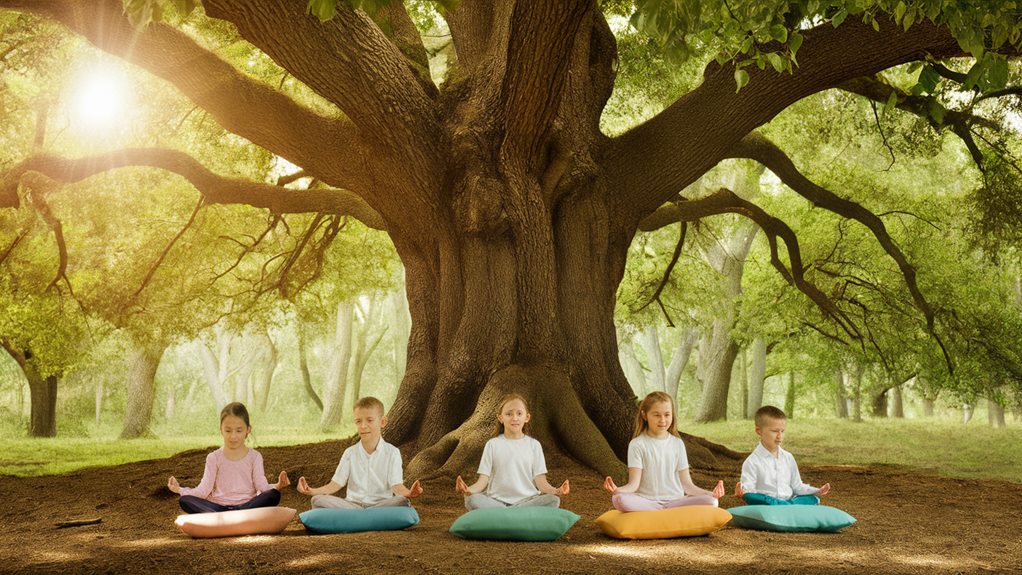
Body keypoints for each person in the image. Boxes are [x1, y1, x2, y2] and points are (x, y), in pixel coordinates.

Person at [603, 391, 725, 512]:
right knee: (619, 499)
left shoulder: (677, 444)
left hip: (676, 501)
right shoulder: (637, 444)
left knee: (712, 502)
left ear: (672, 415)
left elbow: (688, 486)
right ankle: (659, 511)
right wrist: (617, 490)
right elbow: (633, 485)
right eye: (656, 415)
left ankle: (661, 511)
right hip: (647, 501)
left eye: (667, 415)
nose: (662, 420)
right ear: (645, 415)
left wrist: (711, 493)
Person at [297, 396, 423, 509]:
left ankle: (359, 518)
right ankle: (366, 518)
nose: (363, 426)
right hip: (353, 506)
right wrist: (311, 491)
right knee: (317, 500)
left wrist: (408, 493)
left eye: (369, 420)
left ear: (382, 422)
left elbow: (396, 485)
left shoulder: (392, 452)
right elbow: (335, 484)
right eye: (358, 421)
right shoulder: (350, 453)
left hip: (381, 505)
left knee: (402, 501)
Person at [168, 402, 290, 513]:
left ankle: (227, 518)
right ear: (221, 430)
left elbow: (262, 487)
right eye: (228, 431)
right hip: (217, 507)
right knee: (185, 500)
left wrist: (278, 486)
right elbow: (204, 490)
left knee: (273, 495)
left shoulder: (255, 457)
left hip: (246, 506)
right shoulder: (213, 458)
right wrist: (180, 490)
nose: (233, 436)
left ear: (248, 430)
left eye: (239, 431)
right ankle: (219, 516)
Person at [455, 393, 569, 510]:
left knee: (553, 500)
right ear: (500, 418)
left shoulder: (534, 445)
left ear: (527, 417)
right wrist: (468, 490)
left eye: (519, 414)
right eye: (509, 414)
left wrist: (556, 490)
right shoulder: (492, 445)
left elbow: (541, 482)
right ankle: (515, 516)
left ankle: (504, 517)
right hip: (496, 502)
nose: (514, 418)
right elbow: (483, 481)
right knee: (471, 500)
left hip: (527, 502)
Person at [734, 405, 831, 505]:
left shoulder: (788, 458)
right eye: (775, 431)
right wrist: (743, 492)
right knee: (753, 497)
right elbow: (749, 491)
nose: (779, 436)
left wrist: (817, 491)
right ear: (759, 431)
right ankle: (786, 506)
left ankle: (786, 505)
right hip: (766, 503)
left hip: (788, 500)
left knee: (814, 499)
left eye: (782, 431)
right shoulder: (752, 462)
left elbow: (797, 486)